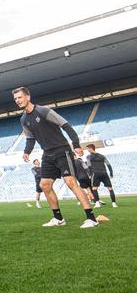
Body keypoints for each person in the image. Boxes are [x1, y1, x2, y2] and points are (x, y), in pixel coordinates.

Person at [14, 87, 98, 228]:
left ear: (28, 97)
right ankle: (58, 219)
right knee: (44, 185)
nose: (17, 100)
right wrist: (27, 151)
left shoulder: (43, 111)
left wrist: (76, 145)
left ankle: (92, 219)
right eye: (15, 99)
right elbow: (30, 138)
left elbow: (66, 125)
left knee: (70, 182)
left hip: (62, 150)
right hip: (47, 154)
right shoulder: (23, 119)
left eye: (20, 97)